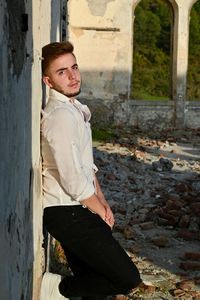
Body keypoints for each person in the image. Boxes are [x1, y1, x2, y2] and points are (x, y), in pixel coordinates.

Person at [40, 41, 141, 300]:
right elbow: (72, 180)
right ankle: (57, 290)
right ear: (48, 81)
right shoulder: (59, 117)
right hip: (65, 210)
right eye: (62, 72)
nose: (73, 76)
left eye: (74, 67)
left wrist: (103, 202)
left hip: (77, 207)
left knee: (94, 281)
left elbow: (86, 166)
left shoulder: (74, 110)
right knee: (127, 277)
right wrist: (97, 209)